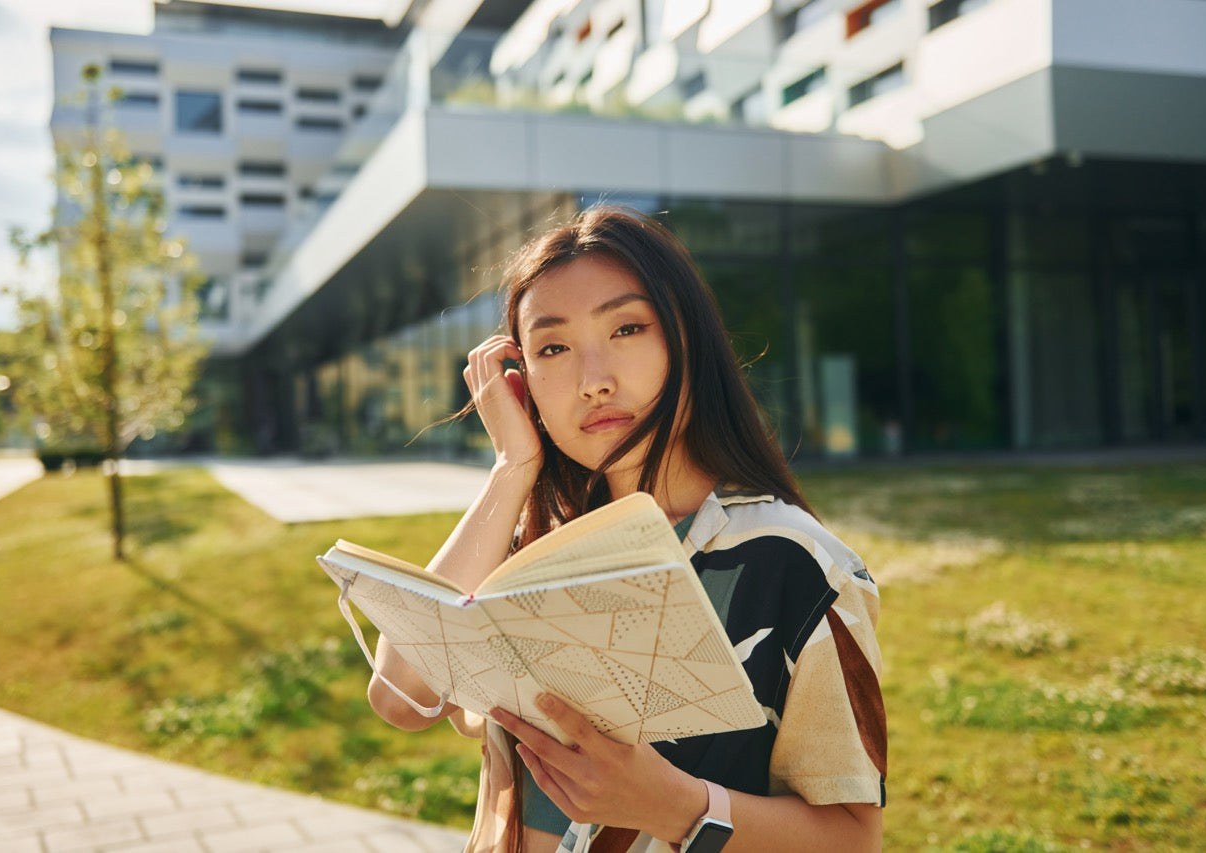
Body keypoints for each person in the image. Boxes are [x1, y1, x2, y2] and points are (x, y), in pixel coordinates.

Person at [367, 207, 886, 853]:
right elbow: (399, 696)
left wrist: (676, 806)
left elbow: (852, 838)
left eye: (628, 328)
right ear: (520, 378)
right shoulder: (536, 549)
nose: (594, 380)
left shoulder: (794, 563)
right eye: (552, 347)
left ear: (687, 341)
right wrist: (512, 468)